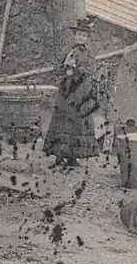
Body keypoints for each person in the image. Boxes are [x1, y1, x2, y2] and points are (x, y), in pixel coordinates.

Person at [42, 17, 109, 167]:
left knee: (79, 121)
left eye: (84, 36)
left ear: (87, 38)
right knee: (64, 121)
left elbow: (91, 69)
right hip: (68, 91)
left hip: (82, 92)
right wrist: (67, 68)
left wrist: (83, 71)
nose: (81, 38)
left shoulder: (89, 54)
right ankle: (59, 156)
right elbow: (58, 68)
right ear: (74, 36)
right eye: (79, 35)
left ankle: (73, 156)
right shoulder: (68, 51)